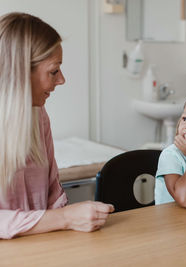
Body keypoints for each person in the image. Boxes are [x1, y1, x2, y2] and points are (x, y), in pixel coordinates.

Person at [0, 12, 114, 239]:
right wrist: (65, 218)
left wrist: (76, 218)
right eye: (53, 71)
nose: (62, 80)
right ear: (21, 73)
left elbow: (53, 192)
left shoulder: (38, 116)